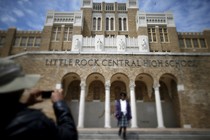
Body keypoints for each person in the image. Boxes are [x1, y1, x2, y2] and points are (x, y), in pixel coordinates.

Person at [0, 59, 78, 140]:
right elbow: (69, 136)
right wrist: (60, 103)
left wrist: (23, 105)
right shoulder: (33, 121)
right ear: (19, 88)